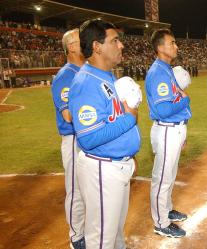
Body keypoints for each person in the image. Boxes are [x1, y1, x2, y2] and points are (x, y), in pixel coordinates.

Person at [69, 19, 141, 248]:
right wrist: (130, 117)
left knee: (115, 234)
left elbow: (111, 119)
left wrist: (129, 155)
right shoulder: (86, 83)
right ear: (97, 47)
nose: (121, 46)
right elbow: (89, 137)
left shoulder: (107, 76)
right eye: (115, 40)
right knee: (101, 239)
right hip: (102, 168)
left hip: (115, 165)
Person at [146, 29, 191, 238]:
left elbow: (173, 102)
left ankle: (167, 209)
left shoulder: (166, 70)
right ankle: (161, 222)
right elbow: (164, 110)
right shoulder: (158, 72)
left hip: (174, 130)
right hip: (166, 130)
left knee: (170, 175)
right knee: (162, 178)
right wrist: (185, 99)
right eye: (172, 43)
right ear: (160, 47)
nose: (176, 46)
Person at [51, 28, 86, 249]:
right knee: (76, 191)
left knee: (91, 190)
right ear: (71, 46)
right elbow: (69, 115)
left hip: (90, 138)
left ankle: (88, 232)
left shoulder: (88, 70)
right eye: (81, 40)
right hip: (74, 139)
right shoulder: (66, 76)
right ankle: (76, 237)